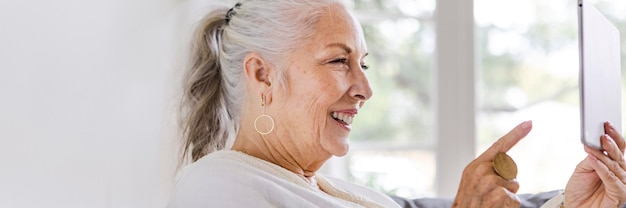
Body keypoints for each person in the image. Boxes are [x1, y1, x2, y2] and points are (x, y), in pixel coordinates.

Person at [167, 0, 626, 207]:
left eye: (363, 63)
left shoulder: (341, 192)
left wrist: (572, 205)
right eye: (338, 60)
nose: (365, 88)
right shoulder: (216, 187)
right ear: (262, 74)